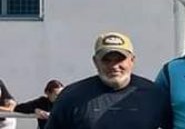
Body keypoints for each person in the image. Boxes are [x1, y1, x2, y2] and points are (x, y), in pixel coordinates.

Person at [44, 32, 172, 129]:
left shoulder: (154, 95)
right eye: (106, 60)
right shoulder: (71, 96)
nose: (114, 66)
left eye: (119, 59)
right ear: (95, 61)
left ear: (132, 60)